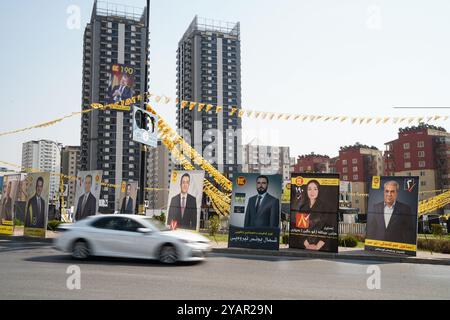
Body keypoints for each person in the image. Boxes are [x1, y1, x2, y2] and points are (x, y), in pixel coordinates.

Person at [367, 180, 415, 244]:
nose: (389, 194)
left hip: (396, 248)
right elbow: (372, 229)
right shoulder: (376, 207)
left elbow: (409, 232)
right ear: (384, 192)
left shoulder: (405, 209)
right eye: (387, 191)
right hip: (378, 247)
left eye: (392, 191)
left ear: (396, 193)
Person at [295, 180, 337, 251]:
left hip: (322, 246)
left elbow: (329, 227)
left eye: (315, 189)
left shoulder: (325, 207)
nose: (312, 192)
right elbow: (300, 228)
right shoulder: (303, 207)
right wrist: (307, 244)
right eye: (309, 189)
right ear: (306, 191)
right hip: (305, 246)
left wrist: (317, 246)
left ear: (318, 191)